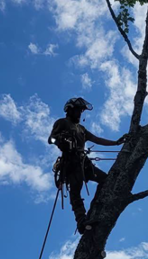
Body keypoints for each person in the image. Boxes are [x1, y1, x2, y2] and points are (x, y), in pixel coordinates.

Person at [48, 97, 127, 234]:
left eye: (81, 111)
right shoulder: (62, 122)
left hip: (84, 163)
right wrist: (61, 139)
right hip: (70, 163)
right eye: (78, 110)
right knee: (75, 194)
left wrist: (116, 143)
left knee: (106, 180)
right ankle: (82, 221)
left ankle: (97, 205)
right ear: (70, 110)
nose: (80, 114)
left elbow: (97, 139)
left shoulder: (81, 129)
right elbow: (51, 139)